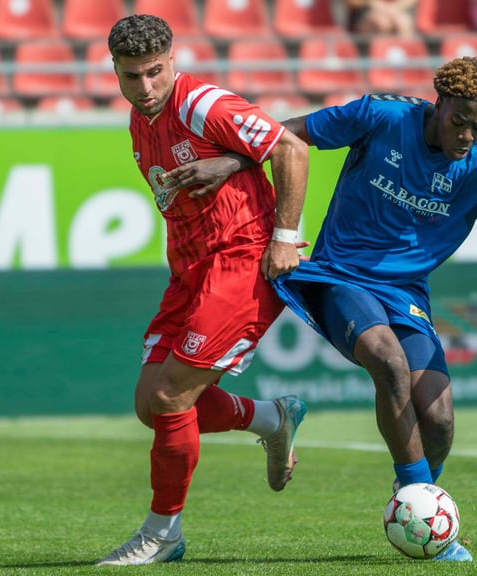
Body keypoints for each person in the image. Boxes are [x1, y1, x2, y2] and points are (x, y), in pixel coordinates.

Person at [187, 56, 477, 561]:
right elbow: (286, 135)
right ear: (439, 104)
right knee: (387, 361)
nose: (468, 134)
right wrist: (231, 160)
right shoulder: (381, 117)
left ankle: (418, 506)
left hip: (406, 294)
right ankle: (422, 505)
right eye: (460, 121)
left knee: (441, 419)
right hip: (340, 277)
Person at [95, 14, 311, 566]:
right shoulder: (139, 121)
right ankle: (272, 418)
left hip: (242, 258)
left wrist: (285, 238)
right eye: (131, 76)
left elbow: (290, 149)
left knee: (171, 396)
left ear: (173, 61)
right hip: (189, 271)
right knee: (151, 403)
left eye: (154, 73)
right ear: (114, 72)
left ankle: (163, 532)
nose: (145, 87)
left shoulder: (202, 103)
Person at [345, 0, 419, 38]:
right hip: (364, 13)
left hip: (395, 11)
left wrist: (393, 8)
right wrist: (378, 5)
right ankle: (381, 64)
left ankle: (407, 63)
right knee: (382, 23)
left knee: (404, 22)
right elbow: (354, 2)